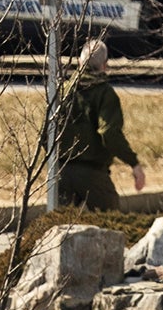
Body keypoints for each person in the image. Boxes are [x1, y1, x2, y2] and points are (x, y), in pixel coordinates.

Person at [50, 40, 147, 212]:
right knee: (112, 225)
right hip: (93, 175)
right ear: (105, 65)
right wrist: (134, 163)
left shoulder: (62, 91)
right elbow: (109, 133)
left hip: (60, 172)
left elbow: (46, 135)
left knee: (59, 229)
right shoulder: (105, 94)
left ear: (80, 63)